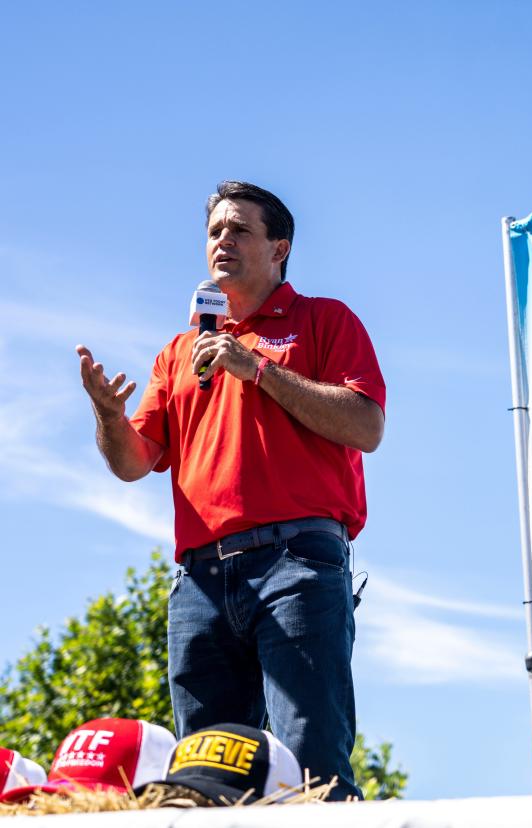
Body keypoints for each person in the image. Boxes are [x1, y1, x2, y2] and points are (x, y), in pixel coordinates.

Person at [76, 181, 385, 801]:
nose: (223, 240)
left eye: (240, 229)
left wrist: (258, 368)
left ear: (279, 249)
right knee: (206, 780)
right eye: (215, 230)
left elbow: (365, 425)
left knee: (311, 767)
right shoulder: (181, 351)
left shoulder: (325, 320)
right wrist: (109, 417)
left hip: (297, 566)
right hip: (199, 585)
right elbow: (134, 463)